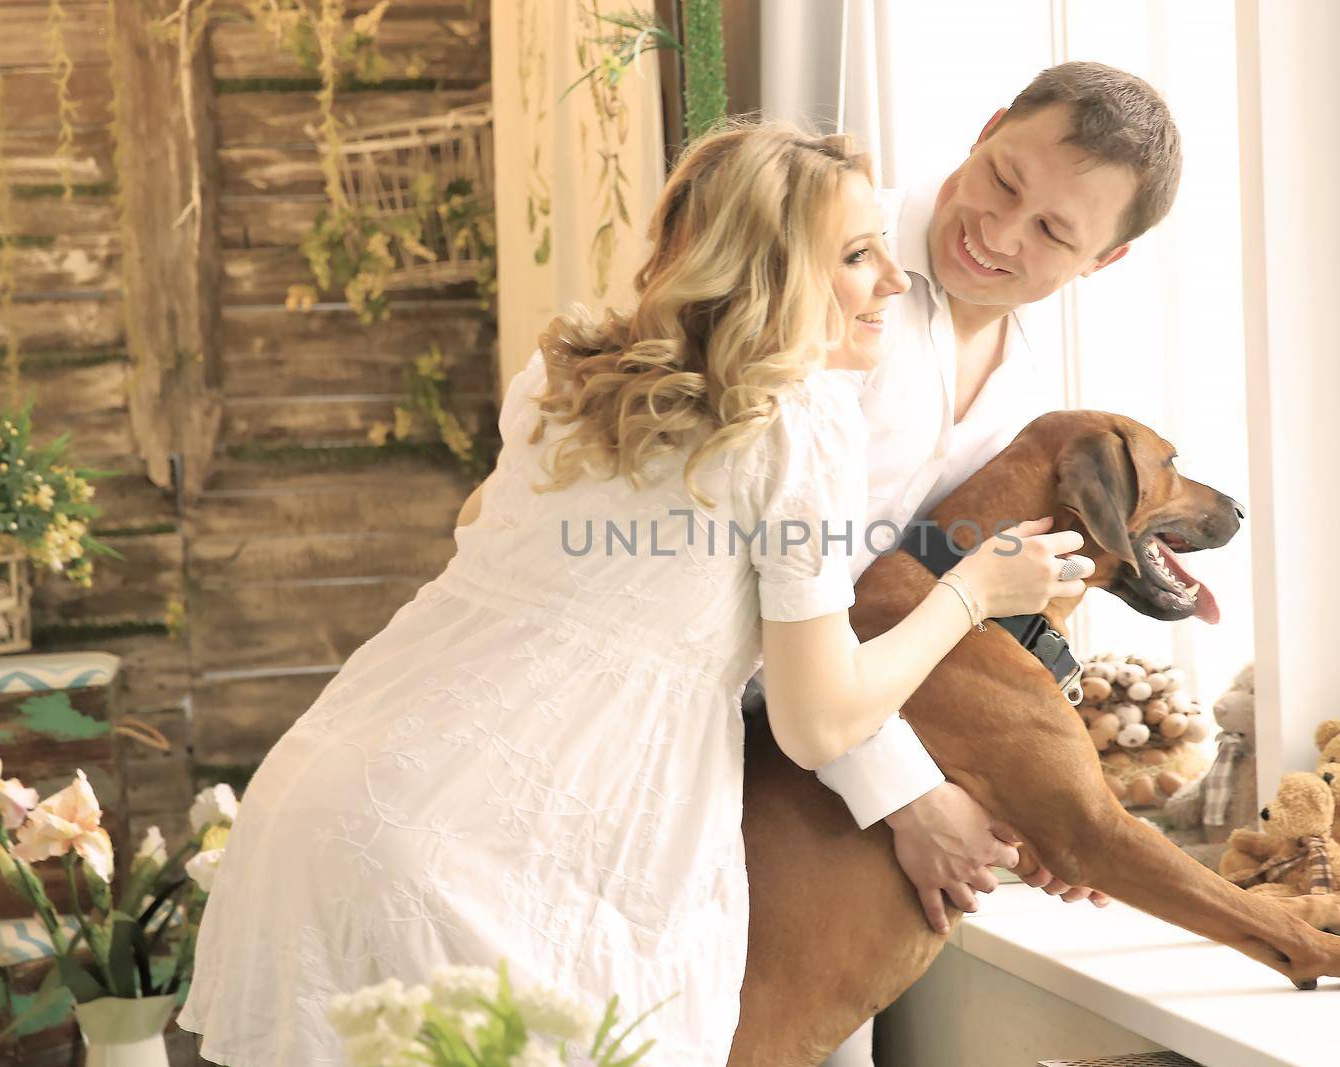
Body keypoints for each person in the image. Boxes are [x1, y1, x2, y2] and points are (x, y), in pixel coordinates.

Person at [175, 120, 1094, 1066]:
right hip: (503, 865)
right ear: (776, 271)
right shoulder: (802, 424)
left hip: (343, 786)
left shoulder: (566, 370)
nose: (897, 282)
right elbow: (818, 723)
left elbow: (478, 530)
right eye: (861, 256)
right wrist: (974, 592)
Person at [782, 61, 1185, 1066]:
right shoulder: (826, 253)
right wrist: (906, 792)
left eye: (1055, 231)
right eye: (1003, 178)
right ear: (989, 123)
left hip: (811, 773)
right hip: (715, 736)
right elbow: (757, 578)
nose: (999, 234)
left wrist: (1031, 798)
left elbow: (901, 615)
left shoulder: (1029, 398)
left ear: (1108, 258)